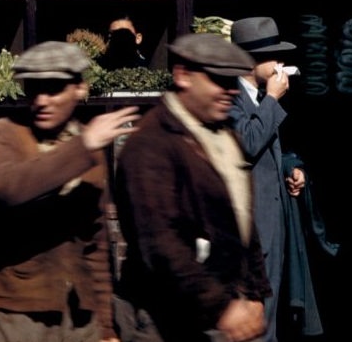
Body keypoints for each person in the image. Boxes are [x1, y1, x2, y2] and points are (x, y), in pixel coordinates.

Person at [0, 40, 139, 342]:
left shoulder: (88, 150)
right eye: (34, 89)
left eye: (54, 89)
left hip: (77, 316)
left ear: (79, 88)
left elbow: (96, 245)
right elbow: (12, 187)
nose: (42, 101)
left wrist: (105, 326)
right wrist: (84, 145)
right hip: (15, 311)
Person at [115, 33, 270, 342]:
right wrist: (221, 307)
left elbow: (242, 223)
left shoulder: (224, 136)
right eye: (218, 80)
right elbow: (160, 243)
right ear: (183, 75)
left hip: (222, 312)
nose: (229, 91)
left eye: (232, 81)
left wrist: (255, 293)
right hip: (165, 319)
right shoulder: (151, 143)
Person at [228, 17, 332, 342]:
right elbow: (246, 144)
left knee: (269, 319)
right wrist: (273, 99)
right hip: (251, 231)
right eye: (272, 56)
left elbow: (270, 150)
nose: (279, 65)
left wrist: (290, 168)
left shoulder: (257, 96)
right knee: (256, 321)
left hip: (271, 226)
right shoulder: (230, 98)